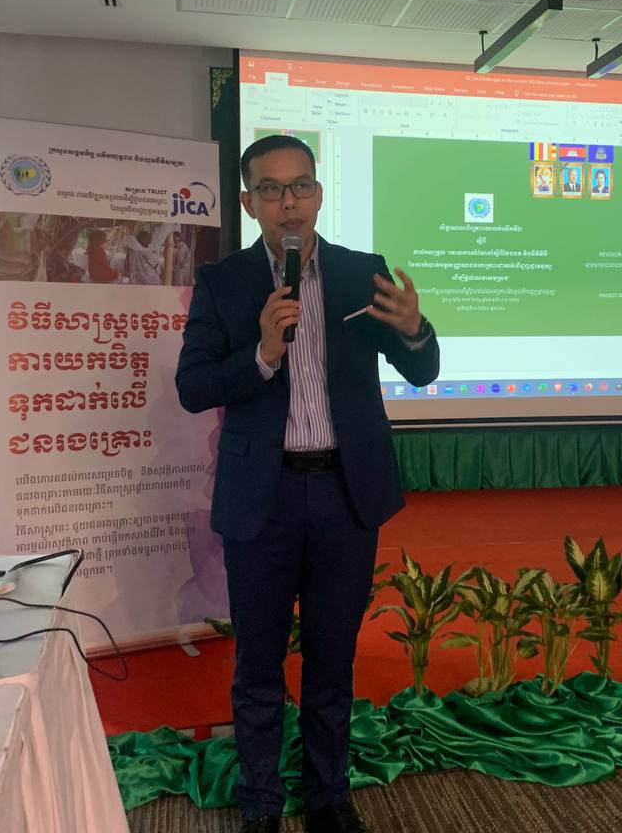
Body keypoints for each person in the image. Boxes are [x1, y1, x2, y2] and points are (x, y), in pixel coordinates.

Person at [176, 135, 438, 833]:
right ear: (248, 202)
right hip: (261, 499)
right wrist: (262, 353)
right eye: (270, 189)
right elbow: (192, 387)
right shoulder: (224, 283)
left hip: (343, 496)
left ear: (318, 194)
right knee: (258, 662)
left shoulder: (360, 272)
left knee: (332, 660)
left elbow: (421, 370)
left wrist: (415, 330)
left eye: (300, 187)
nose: (288, 203)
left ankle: (327, 796)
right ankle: (261, 803)